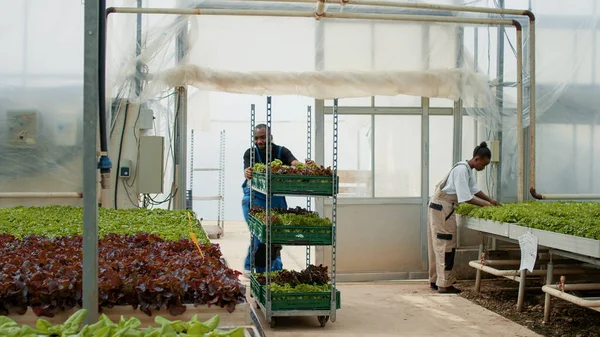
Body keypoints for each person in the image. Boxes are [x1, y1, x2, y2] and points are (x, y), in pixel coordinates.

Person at [427, 141, 501, 294]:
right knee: (446, 244)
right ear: (477, 159)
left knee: (439, 243)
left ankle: (436, 279)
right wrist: (484, 205)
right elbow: (465, 197)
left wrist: (490, 200)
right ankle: (444, 284)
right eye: (484, 165)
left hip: (441, 206)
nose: (483, 168)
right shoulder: (462, 170)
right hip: (443, 207)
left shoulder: (466, 168)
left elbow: (474, 190)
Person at [241, 124, 305, 277]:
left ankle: (272, 270)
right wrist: (248, 172)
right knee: (260, 234)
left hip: (275, 199)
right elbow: (247, 170)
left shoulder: (281, 151)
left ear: (270, 137)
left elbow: (293, 162)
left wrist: (301, 166)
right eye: (256, 138)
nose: (259, 141)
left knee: (274, 237)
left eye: (262, 137)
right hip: (254, 198)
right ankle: (262, 272)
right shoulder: (250, 153)